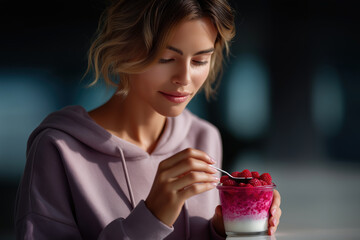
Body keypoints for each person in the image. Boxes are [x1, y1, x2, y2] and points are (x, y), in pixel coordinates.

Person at [14, 0, 281, 239]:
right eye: (166, 58)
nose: (184, 79)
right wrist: (151, 218)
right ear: (123, 47)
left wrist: (224, 231)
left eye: (200, 60)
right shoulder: (58, 149)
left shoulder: (204, 137)